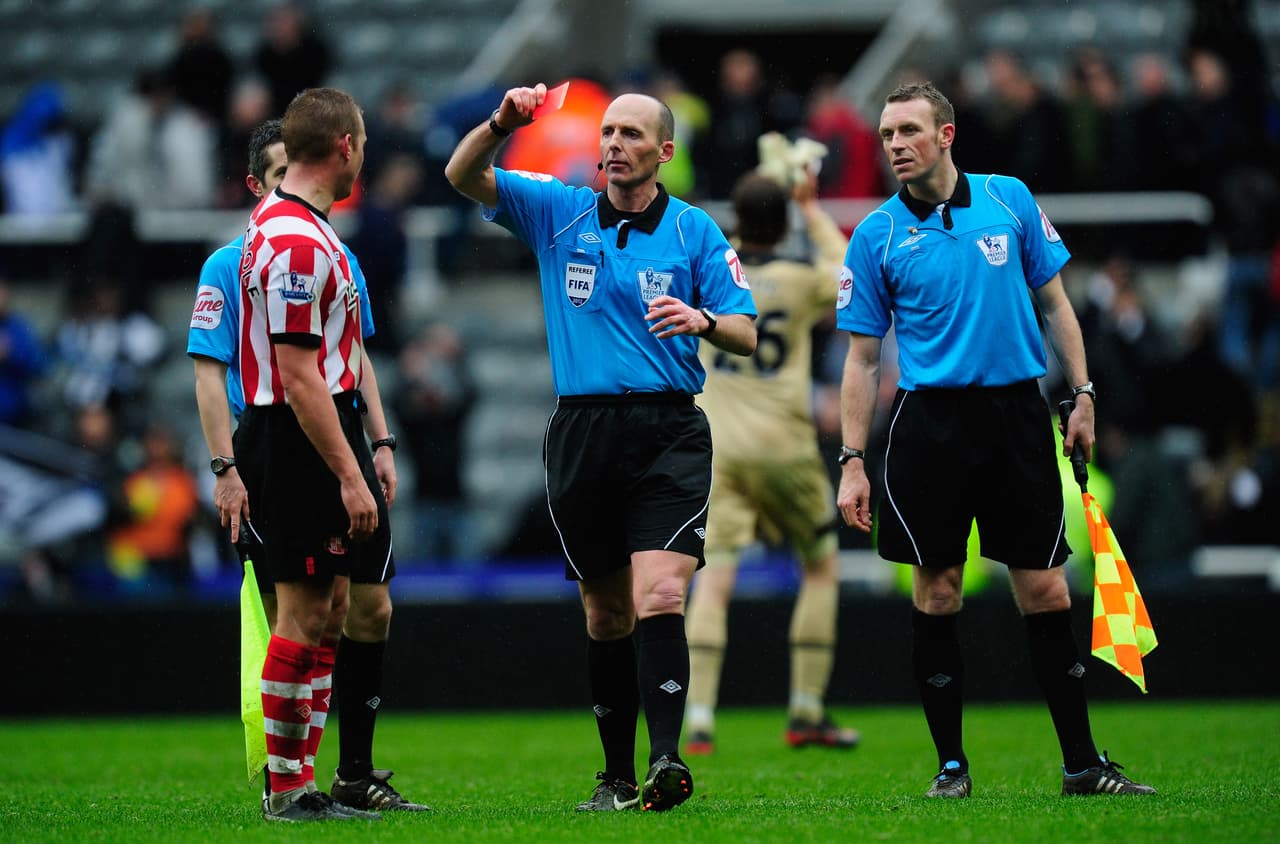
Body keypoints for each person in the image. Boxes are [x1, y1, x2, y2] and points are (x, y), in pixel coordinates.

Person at [834, 82, 1156, 799]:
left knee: (1043, 588)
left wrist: (1083, 396)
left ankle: (1081, 764)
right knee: (938, 588)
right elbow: (860, 360)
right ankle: (951, 768)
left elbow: (1057, 306)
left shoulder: (1009, 198)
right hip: (928, 426)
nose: (894, 145)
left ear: (946, 136)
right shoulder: (876, 234)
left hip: (1015, 416)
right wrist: (853, 462)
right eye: (887, 134)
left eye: (909, 131)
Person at [445, 84, 758, 812]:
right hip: (583, 430)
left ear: (664, 153)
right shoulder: (558, 210)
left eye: (632, 134)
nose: (614, 143)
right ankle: (616, 778)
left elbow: (746, 329)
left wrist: (703, 319)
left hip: (669, 430)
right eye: (608, 131)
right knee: (605, 613)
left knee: (660, 591)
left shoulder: (695, 233)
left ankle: (668, 760)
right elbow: (461, 176)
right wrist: (501, 124)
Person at [189, 116, 429, 818]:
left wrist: (377, 446)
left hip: (337, 429)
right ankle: (287, 783)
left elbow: (353, 360)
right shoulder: (268, 249)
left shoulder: (329, 247)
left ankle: (324, 777)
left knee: (337, 610)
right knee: (296, 611)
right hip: (288, 439)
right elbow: (252, 375)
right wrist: (223, 464)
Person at [684, 169, 859, 755]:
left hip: (721, 447)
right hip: (784, 445)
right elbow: (850, 274)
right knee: (819, 566)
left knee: (711, 582)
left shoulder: (709, 275)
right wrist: (812, 212)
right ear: (782, 223)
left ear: (734, 220)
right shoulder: (801, 279)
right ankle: (807, 709)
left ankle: (700, 717)